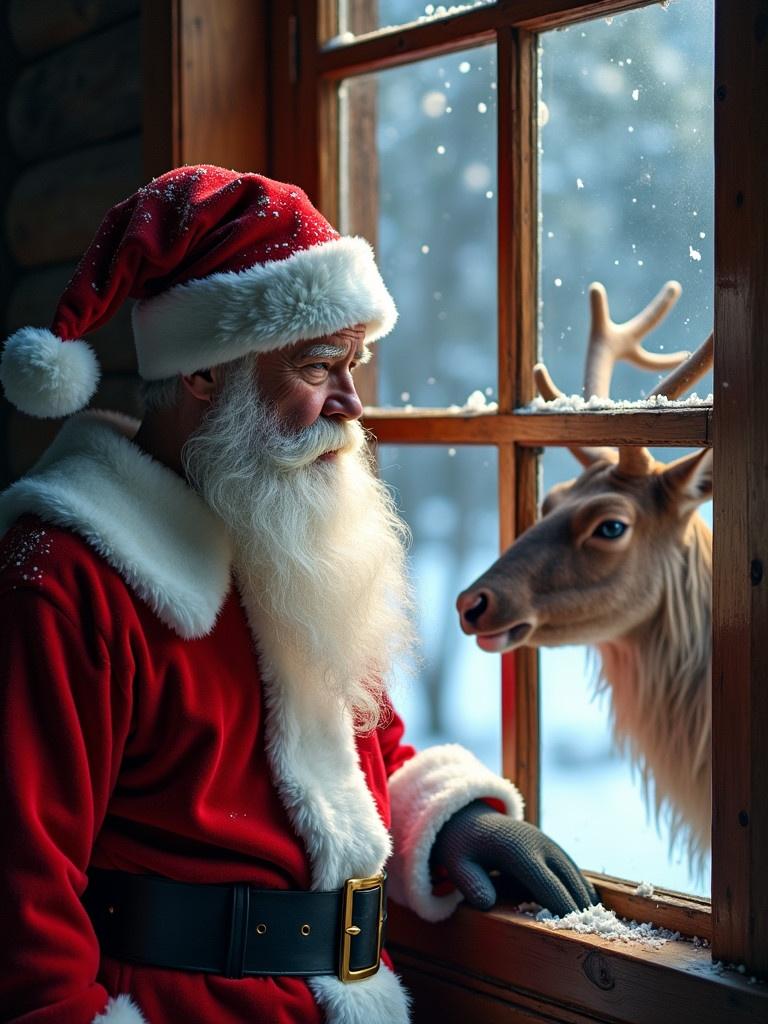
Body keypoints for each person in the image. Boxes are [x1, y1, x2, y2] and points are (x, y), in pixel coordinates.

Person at [0, 165, 596, 1024]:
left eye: (356, 363)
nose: (351, 404)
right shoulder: (63, 577)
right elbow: (19, 901)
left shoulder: (273, 531)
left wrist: (449, 820)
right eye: (320, 366)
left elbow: (350, 758)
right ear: (204, 374)